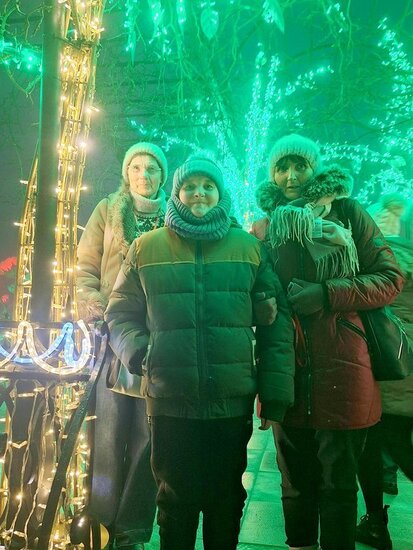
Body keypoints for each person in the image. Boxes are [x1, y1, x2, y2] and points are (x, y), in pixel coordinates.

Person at [105, 153, 295, 550]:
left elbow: (276, 324)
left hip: (230, 400)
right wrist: (140, 354)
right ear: (176, 194)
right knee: (175, 498)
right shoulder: (146, 247)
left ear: (220, 193)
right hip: (170, 399)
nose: (199, 193)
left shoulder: (249, 248)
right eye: (190, 186)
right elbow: (120, 313)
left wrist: (275, 392)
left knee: (226, 498)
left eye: (208, 186)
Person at [251, 134, 404, 550]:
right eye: (282, 168)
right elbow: (255, 285)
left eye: (300, 166)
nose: (291, 176)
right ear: (272, 174)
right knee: (294, 481)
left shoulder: (348, 213)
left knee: (338, 483)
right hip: (287, 366)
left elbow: (390, 278)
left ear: (314, 169)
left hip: (345, 364)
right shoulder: (265, 227)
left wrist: (327, 293)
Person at [76, 141, 168, 550]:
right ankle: (100, 522)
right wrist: (93, 302)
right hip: (112, 335)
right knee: (108, 436)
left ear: (163, 175)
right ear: (126, 172)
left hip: (157, 338)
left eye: (152, 168)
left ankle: (131, 529)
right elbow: (85, 267)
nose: (144, 175)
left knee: (150, 438)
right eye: (136, 167)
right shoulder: (107, 210)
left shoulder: (174, 214)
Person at [356, 206, 413, 550]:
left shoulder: (382, 259)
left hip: (392, 368)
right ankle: (374, 522)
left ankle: (375, 523)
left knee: (379, 446)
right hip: (403, 369)